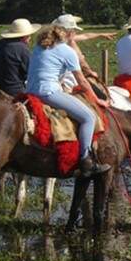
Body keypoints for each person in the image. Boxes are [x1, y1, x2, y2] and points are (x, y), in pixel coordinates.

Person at [26, 23, 111, 177]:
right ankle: (86, 161)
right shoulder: (67, 51)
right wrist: (97, 100)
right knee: (88, 117)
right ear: (70, 33)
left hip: (30, 91)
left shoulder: (40, 47)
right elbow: (82, 82)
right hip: (48, 92)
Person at [50, 14, 116, 92]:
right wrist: (91, 73)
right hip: (67, 82)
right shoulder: (70, 44)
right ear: (69, 32)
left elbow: (86, 35)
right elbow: (82, 63)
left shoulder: (53, 41)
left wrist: (101, 34)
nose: (76, 32)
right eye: (74, 30)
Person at [0, 18, 41, 96]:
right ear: (24, 36)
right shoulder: (21, 48)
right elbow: (31, 72)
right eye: (29, 35)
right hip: (14, 90)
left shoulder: (0, 43)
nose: (30, 38)